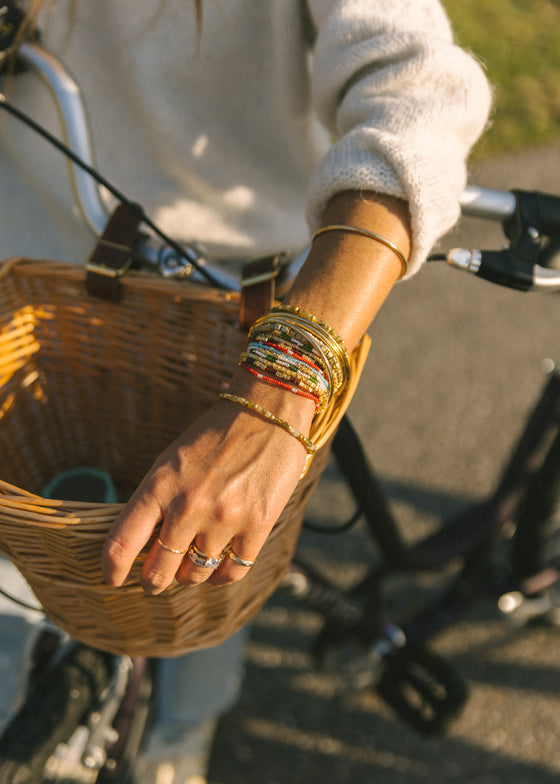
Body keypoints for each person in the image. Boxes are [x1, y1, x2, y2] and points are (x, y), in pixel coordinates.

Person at [0, 1, 492, 782]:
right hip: (34, 294)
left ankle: (183, 735)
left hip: (245, 289)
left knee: (216, 541)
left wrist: (276, 393)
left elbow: (417, 85)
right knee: (17, 570)